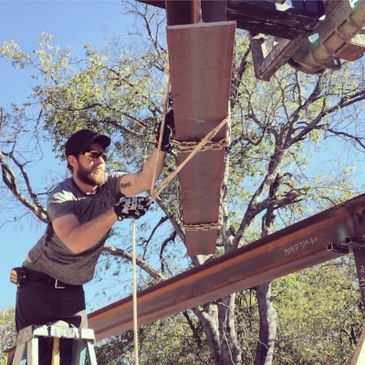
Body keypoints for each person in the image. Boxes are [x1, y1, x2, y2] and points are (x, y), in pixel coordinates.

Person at [11, 112, 174, 364]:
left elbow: (144, 180)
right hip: (37, 285)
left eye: (103, 155)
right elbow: (75, 241)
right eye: (92, 155)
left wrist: (161, 144)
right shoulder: (62, 196)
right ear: (73, 161)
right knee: (40, 358)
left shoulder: (111, 185)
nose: (100, 161)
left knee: (74, 359)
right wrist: (117, 211)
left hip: (73, 291)